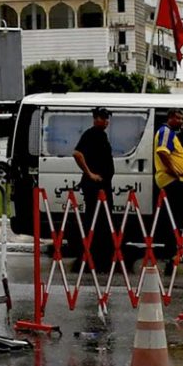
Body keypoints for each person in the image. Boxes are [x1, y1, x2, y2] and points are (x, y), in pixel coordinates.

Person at [72, 107, 115, 269]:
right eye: (103, 118)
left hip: (104, 185)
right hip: (95, 185)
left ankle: (101, 252)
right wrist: (90, 174)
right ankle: (90, 251)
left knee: (104, 219)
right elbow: (77, 153)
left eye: (107, 119)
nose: (106, 122)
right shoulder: (91, 134)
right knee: (94, 218)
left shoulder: (102, 135)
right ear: (96, 119)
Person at [152, 108, 183, 268]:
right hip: (171, 181)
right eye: (178, 118)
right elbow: (162, 152)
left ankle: (173, 250)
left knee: (173, 218)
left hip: (173, 181)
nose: (180, 122)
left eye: (182, 119)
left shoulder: (171, 133)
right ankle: (172, 252)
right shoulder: (165, 132)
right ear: (170, 118)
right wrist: (174, 171)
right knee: (173, 218)